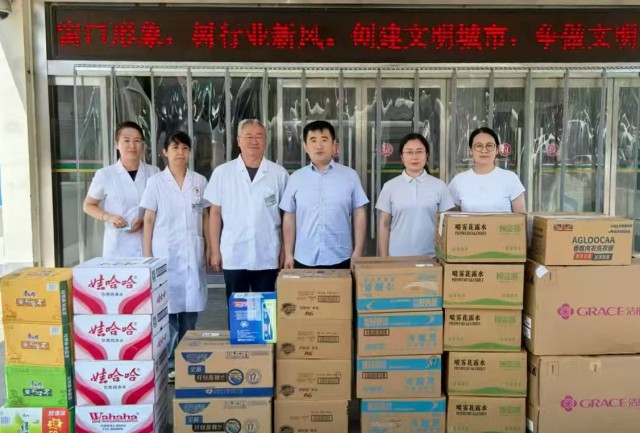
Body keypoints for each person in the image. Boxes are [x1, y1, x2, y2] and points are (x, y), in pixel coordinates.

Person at [140, 131, 210, 383]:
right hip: (165, 255)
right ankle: (170, 363)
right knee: (168, 315)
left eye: (185, 148)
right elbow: (148, 219)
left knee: (190, 313)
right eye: (175, 148)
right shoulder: (156, 182)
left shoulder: (199, 181)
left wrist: (210, 247)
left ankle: (188, 360)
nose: (180, 153)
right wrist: (147, 256)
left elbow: (206, 216)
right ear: (164, 152)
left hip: (192, 252)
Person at [204, 119, 288, 301]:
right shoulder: (222, 173)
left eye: (259, 136)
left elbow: (286, 216)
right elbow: (215, 214)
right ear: (238, 141)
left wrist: (285, 250)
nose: (254, 141)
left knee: (265, 308)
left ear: (265, 141)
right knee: (237, 309)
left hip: (267, 254)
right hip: (234, 254)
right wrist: (215, 250)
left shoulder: (279, 174)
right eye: (249, 136)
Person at [280, 120, 369, 269]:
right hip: (304, 258)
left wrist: (358, 251)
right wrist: (289, 253)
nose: (319, 146)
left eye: (324, 140)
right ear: (305, 146)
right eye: (313, 140)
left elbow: (359, 213)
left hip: (341, 258)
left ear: (334, 145)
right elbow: (289, 216)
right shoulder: (296, 178)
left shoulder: (350, 176)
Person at [83, 121, 159, 257]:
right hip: (117, 247)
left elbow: (162, 206)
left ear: (142, 144)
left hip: (149, 246)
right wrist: (109, 217)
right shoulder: (105, 174)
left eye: (137, 141)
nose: (132, 146)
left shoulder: (154, 172)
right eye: (126, 140)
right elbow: (88, 205)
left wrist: (145, 220)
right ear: (117, 144)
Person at [377, 133, 455, 257]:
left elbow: (448, 225)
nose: (414, 157)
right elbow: (384, 224)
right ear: (402, 156)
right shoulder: (390, 186)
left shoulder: (439, 186)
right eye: (409, 152)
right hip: (396, 258)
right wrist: (384, 258)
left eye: (419, 152)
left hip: (432, 258)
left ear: (427, 155)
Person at [448, 126, 526, 213]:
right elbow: (452, 218)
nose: (484, 150)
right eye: (478, 146)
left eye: (489, 146)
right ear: (470, 150)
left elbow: (521, 217)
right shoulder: (458, 181)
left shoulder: (510, 178)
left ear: (497, 150)